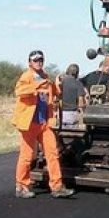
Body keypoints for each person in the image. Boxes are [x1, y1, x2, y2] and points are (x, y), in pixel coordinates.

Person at [11, 50, 75, 199]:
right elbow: (19, 91)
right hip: (29, 123)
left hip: (44, 123)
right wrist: (36, 86)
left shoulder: (46, 77)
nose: (39, 62)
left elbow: (53, 93)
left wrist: (58, 85)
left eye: (41, 60)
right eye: (35, 60)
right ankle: (21, 186)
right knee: (27, 156)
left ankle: (57, 186)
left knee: (52, 154)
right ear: (29, 63)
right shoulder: (26, 76)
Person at [57, 63, 88, 129]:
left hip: (61, 113)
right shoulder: (78, 83)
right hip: (72, 114)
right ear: (77, 73)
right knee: (72, 136)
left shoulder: (61, 82)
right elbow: (80, 103)